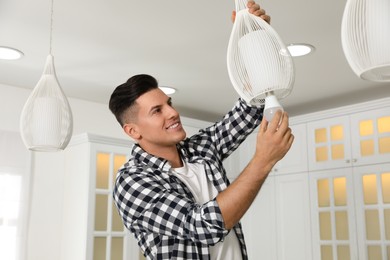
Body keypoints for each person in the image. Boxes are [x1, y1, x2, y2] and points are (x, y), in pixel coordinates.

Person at [109, 1, 294, 259]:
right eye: (157, 110)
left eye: (168, 104)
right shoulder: (132, 181)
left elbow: (250, 105)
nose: (173, 113)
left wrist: (255, 40)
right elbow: (202, 226)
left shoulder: (199, 149)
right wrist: (263, 160)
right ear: (133, 131)